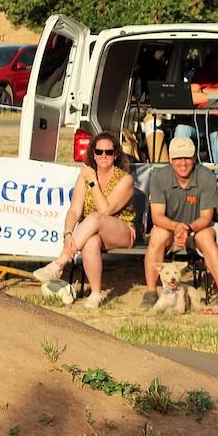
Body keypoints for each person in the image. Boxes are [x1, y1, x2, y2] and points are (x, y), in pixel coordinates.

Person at [35, 131, 138, 309]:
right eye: (99, 152)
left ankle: (59, 264)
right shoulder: (84, 178)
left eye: (109, 152)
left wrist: (93, 181)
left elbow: (105, 210)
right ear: (93, 154)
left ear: (116, 154)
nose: (104, 156)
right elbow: (74, 210)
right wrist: (68, 233)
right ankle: (96, 294)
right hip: (92, 231)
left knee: (96, 217)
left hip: (122, 231)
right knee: (91, 242)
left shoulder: (125, 179)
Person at [143, 136, 218, 310]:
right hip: (170, 228)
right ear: (170, 159)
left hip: (198, 227)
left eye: (187, 157)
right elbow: (157, 216)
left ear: (194, 158)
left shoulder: (206, 176)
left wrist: (188, 228)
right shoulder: (159, 177)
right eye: (178, 158)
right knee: (157, 235)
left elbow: (206, 217)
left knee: (206, 237)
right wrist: (177, 227)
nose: (183, 163)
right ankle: (151, 291)